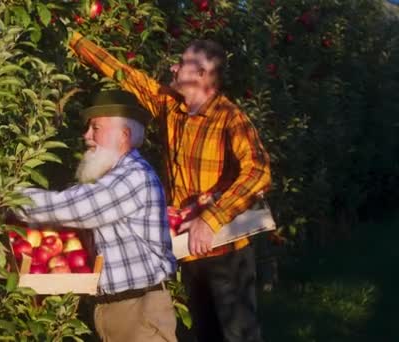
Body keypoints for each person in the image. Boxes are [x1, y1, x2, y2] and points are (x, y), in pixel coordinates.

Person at [68, 33, 271, 342]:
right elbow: (126, 74)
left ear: (202, 75)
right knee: (204, 333)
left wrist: (210, 217)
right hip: (188, 249)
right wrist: (73, 39)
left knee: (237, 335)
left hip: (226, 253)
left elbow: (258, 172)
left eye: (182, 64)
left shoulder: (230, 119)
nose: (173, 69)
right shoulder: (170, 106)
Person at [16, 90, 177, 342]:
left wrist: (11, 197)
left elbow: (75, 208)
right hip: (115, 307)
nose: (86, 136)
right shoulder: (111, 176)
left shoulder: (133, 176)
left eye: (95, 128)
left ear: (123, 135)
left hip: (139, 309)